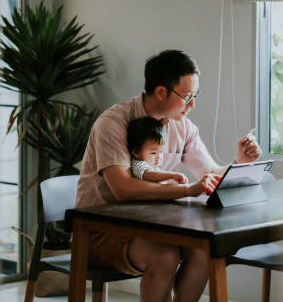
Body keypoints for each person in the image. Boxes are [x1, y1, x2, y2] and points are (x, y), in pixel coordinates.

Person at [76, 49, 261, 302]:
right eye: (187, 96)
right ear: (161, 91)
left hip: (155, 227)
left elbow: (209, 173)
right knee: (164, 256)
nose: (192, 104)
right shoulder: (113, 123)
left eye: (195, 95)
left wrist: (240, 162)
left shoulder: (182, 125)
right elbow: (124, 189)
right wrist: (185, 190)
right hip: (100, 232)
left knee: (204, 251)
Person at [127, 116, 221, 193]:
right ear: (135, 152)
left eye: (161, 152)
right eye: (153, 153)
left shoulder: (153, 166)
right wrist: (171, 175)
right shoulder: (138, 164)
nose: (158, 158)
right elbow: (149, 174)